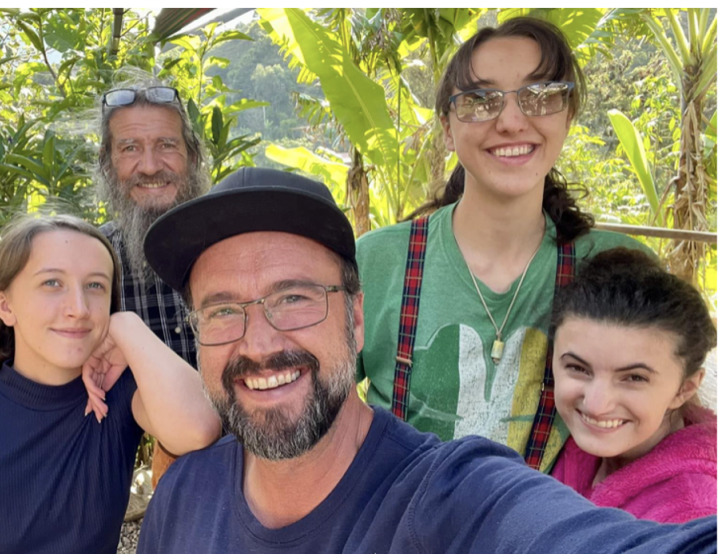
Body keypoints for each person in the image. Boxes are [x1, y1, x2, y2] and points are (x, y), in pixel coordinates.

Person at [136, 167, 714, 554]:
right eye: (222, 310)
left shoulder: (451, 497)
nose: (258, 343)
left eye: (294, 299)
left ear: (358, 319)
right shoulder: (185, 495)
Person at [356, 17, 651, 471]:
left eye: (541, 96)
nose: (512, 121)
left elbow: (665, 422)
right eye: (479, 100)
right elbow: (310, 409)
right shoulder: (378, 261)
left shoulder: (617, 265)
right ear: (447, 128)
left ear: (568, 116)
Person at [0, 214, 220, 554]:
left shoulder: (117, 398)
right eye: (52, 283)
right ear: (5, 305)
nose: (78, 308)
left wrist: (127, 326)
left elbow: (200, 427)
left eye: (95, 286)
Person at [94, 69, 211, 484]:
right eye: (130, 149)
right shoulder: (94, 264)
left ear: (193, 156)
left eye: (166, 145)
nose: (149, 166)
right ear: (109, 166)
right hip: (172, 472)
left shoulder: (234, 244)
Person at [550, 248, 717, 523]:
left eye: (634, 378)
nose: (596, 405)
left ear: (684, 389)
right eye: (578, 368)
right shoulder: (566, 444)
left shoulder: (694, 519)